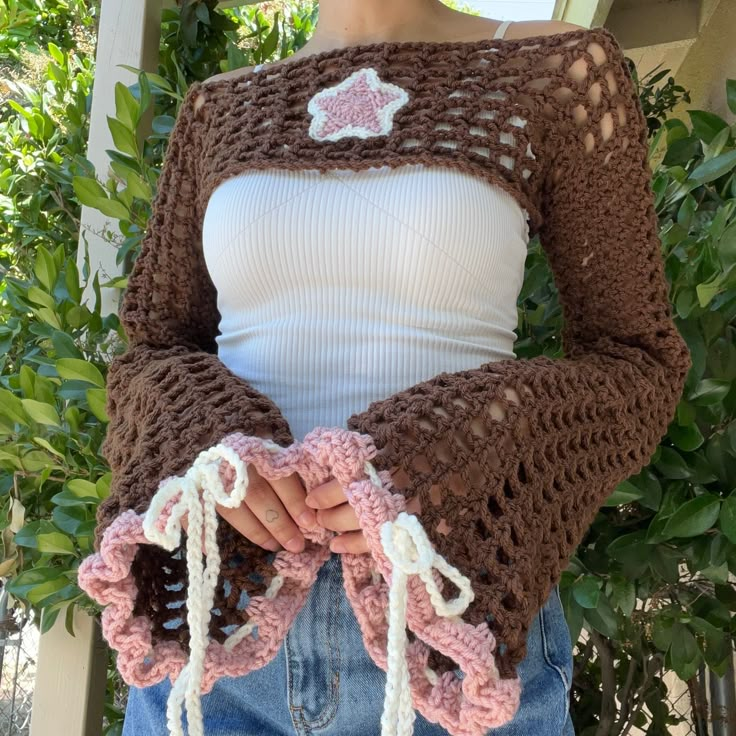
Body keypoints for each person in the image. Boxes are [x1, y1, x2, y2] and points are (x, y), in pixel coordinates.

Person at [79, 0, 691, 734]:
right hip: (218, 626)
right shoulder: (220, 106)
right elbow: (153, 346)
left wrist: (452, 453)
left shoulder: (557, 71)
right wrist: (210, 449)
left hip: (456, 619)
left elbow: (635, 361)